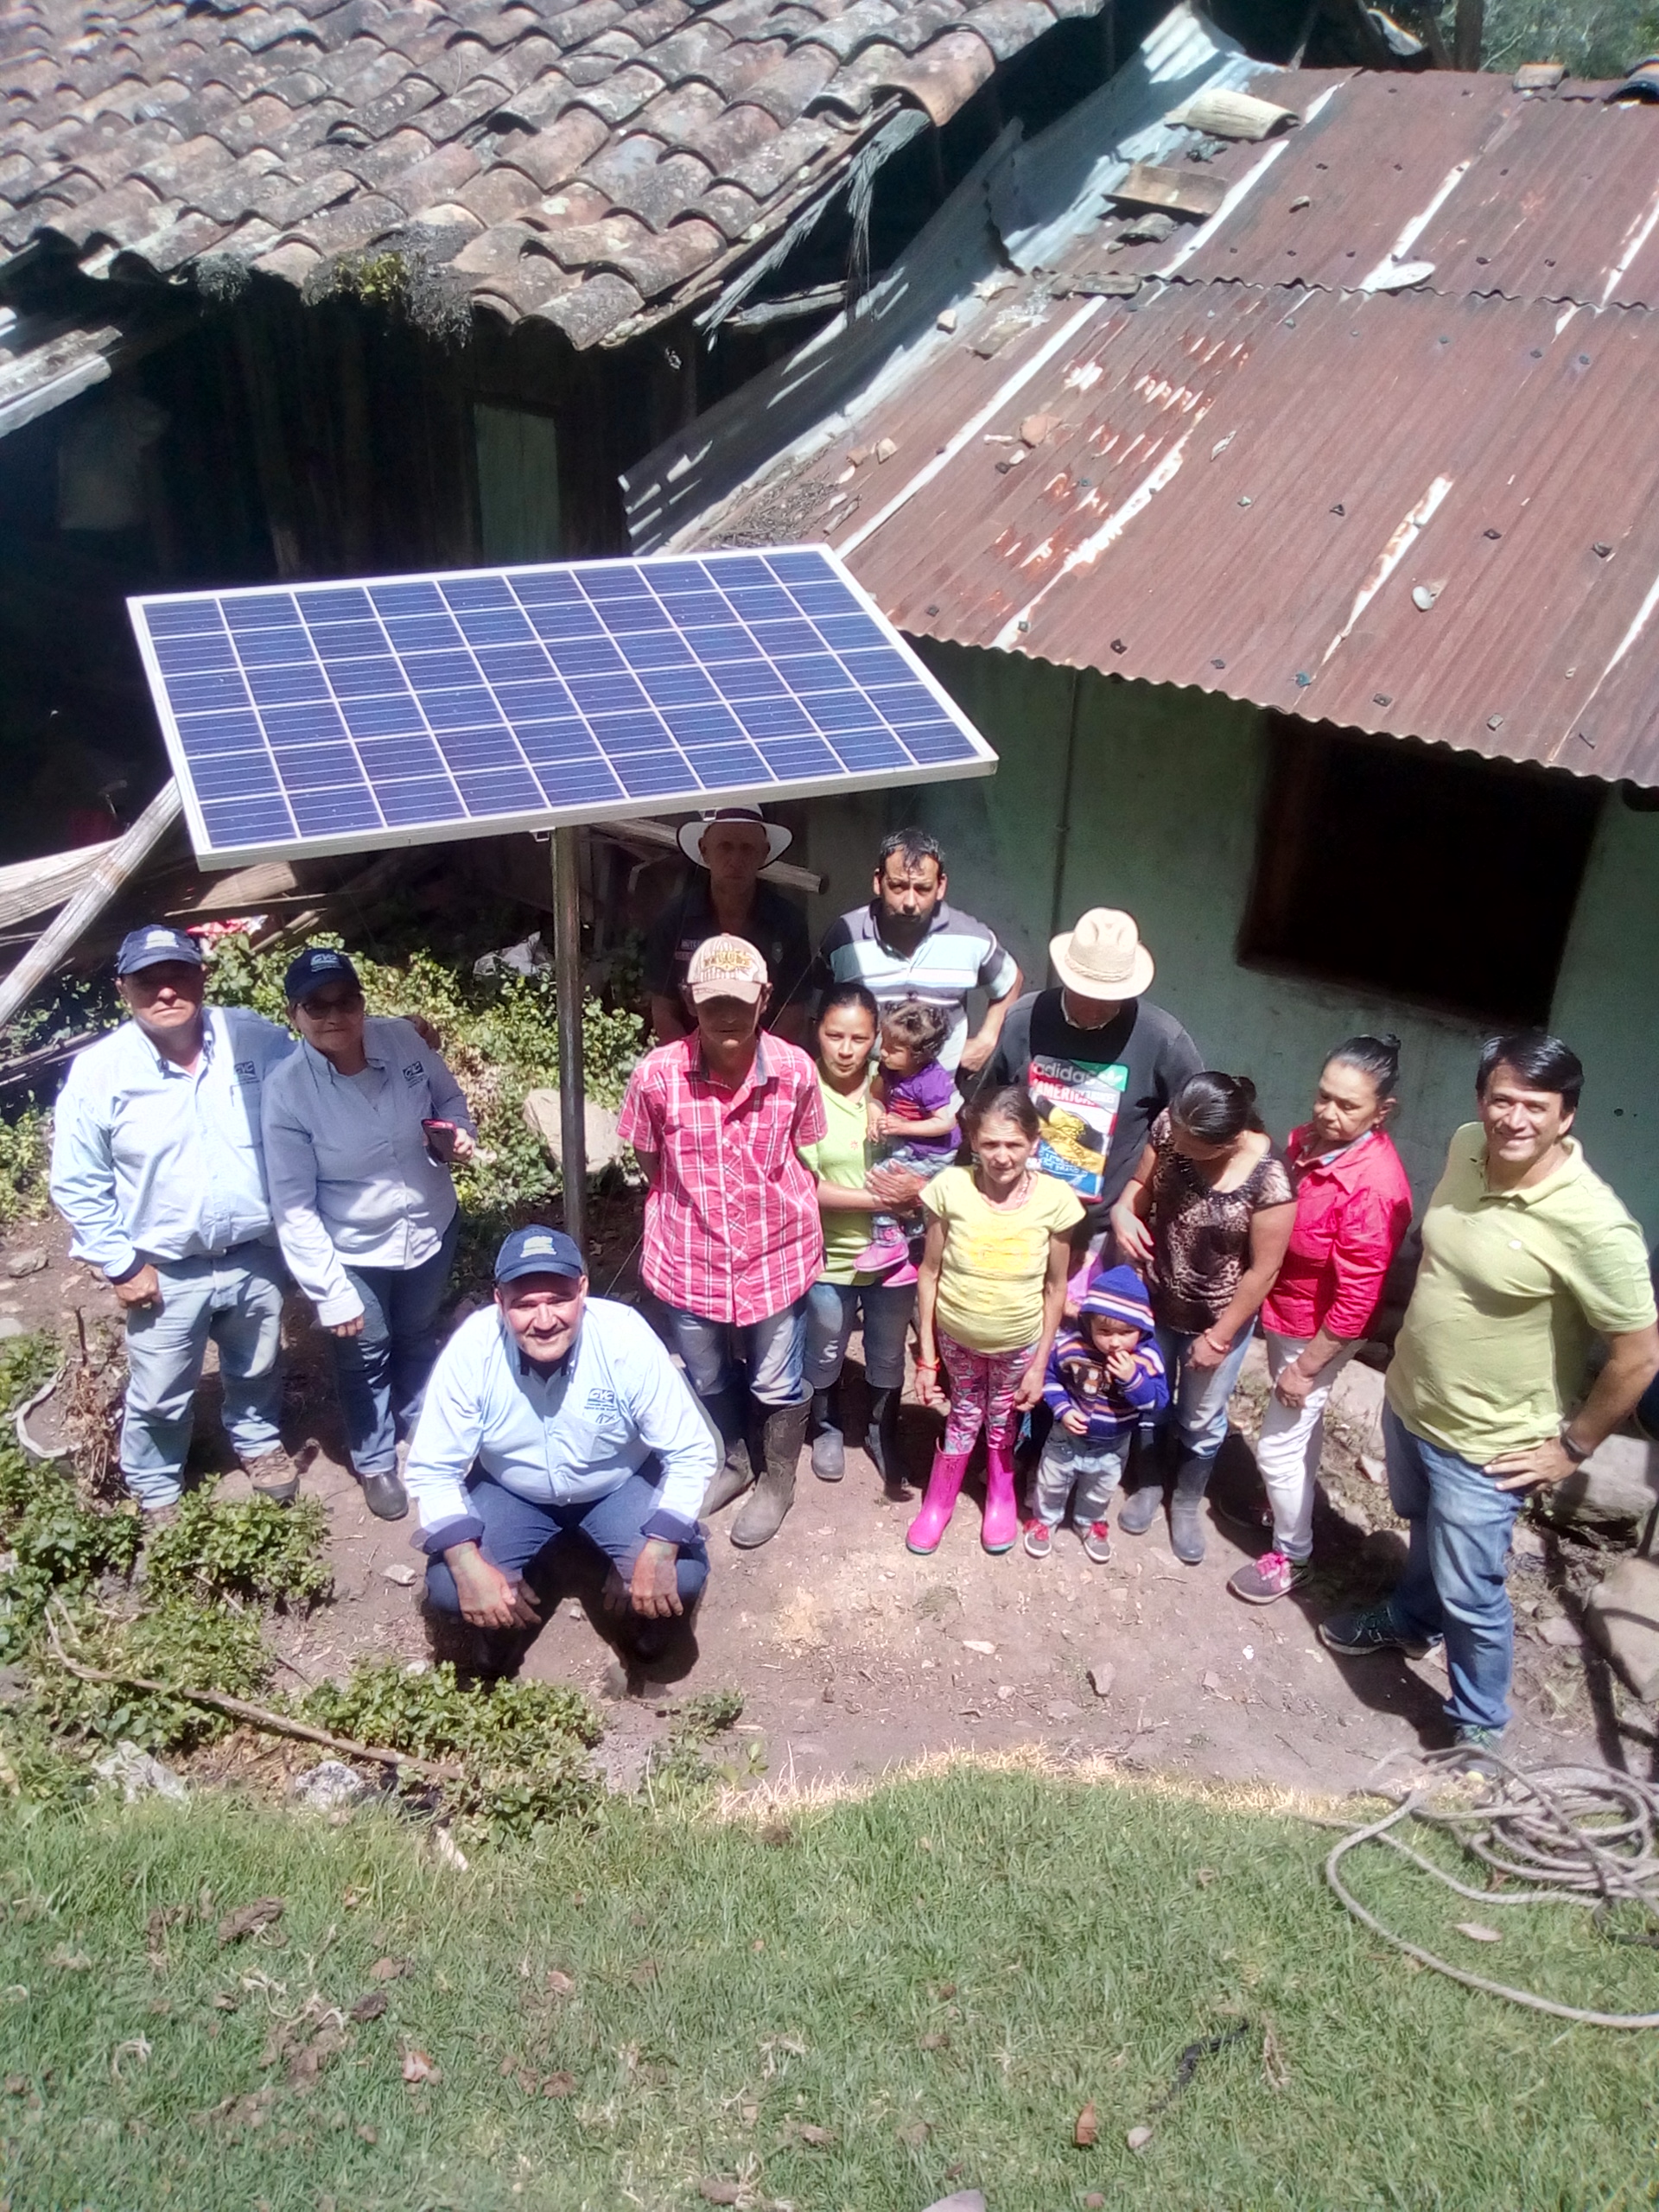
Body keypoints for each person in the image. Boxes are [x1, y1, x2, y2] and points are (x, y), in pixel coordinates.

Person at [1321, 1033, 1659, 1761]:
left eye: (1535, 1106)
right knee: (1423, 1528)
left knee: (1473, 1592)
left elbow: (1639, 1356)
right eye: (1500, 1098)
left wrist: (1573, 1448)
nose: (1513, 1118)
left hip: (1492, 1443)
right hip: (1413, 1399)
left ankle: (1479, 1729)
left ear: (1566, 1117)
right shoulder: (1467, 1144)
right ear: (1481, 1100)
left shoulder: (1595, 1225)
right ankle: (1411, 1619)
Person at [48, 925, 299, 1514]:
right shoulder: (99, 1072)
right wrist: (119, 1262)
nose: (166, 991)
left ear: (202, 975)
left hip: (254, 1251)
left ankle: (258, 1441)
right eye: (148, 980)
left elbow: (320, 1070)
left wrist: (392, 1043)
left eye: (178, 973)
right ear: (123, 988)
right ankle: (157, 1486)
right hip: (160, 1268)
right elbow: (78, 1182)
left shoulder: (254, 1040)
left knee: (258, 1364)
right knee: (161, 1390)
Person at [408, 1227, 714, 1665]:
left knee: (681, 1574)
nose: (545, 1319)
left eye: (559, 1299)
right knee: (448, 1588)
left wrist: (658, 1547)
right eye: (526, 1305)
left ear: (583, 1289)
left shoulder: (625, 1338)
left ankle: (645, 1623)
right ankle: (500, 1633)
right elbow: (433, 1468)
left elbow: (691, 1451)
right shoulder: (473, 1349)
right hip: (512, 1491)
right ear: (499, 1301)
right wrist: (465, 1562)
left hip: (616, 1484)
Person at [618, 934, 826, 1549]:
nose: (727, 1015)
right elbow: (648, 1158)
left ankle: (778, 1480)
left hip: (777, 1254)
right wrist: (694, 1211)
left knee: (773, 1378)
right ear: (689, 1001)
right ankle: (733, 1462)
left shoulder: (795, 1070)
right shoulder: (657, 1077)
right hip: (688, 1256)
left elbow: (803, 1151)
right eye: (712, 1003)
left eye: (740, 1000)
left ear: (764, 998)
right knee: (704, 1368)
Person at [261, 946, 477, 1524]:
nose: (334, 1015)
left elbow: (449, 1098)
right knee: (362, 1354)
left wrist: (456, 1132)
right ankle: (376, 1458)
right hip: (351, 1247)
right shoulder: (287, 1091)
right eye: (316, 1005)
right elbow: (293, 1203)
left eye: (345, 1000)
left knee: (416, 1333)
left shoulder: (403, 1041)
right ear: (294, 1014)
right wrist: (329, 1290)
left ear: (361, 1001)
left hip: (430, 1225)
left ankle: (421, 1424)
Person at [1227, 1036, 1414, 1605]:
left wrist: (1308, 1367)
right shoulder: (1313, 1144)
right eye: (1323, 1096)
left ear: (1382, 1113)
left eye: (1348, 1106)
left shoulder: (1372, 1189)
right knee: (1296, 1433)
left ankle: (1293, 1555)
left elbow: (1359, 1298)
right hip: (1288, 1311)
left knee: (1279, 1444)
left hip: (1319, 1330)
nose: (1328, 1113)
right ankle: (1283, 1506)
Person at [1109, 1072, 1295, 1564]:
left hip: (1218, 1317)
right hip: (1155, 1298)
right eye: (1179, 1139)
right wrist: (1124, 1213)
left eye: (1197, 1146)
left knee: (1199, 1415)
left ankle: (1186, 1501)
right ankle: (1148, 1482)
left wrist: (1221, 1335)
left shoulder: (1270, 1179)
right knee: (1147, 1392)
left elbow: (1264, 1269)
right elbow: (1140, 1186)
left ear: (1231, 1140)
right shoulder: (1174, 1128)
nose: (1181, 1148)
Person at [908, 1086, 1083, 1555]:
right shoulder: (950, 1188)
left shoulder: (1056, 1200)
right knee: (964, 1412)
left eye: (1014, 1144)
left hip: (1019, 1344)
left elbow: (1055, 1288)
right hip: (958, 1338)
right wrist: (927, 1356)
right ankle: (939, 1501)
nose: (1002, 1156)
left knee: (1004, 1420)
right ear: (972, 1141)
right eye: (990, 1144)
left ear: (1034, 1143)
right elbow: (929, 1273)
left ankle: (1001, 1495)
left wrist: (1039, 1365)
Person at [982, 907, 1202, 1274]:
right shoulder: (1025, 1019)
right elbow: (988, 1106)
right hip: (1019, 1215)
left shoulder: (1163, 1039)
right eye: (1087, 992)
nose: (1097, 1004)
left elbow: (1193, 1130)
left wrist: (1139, 1197)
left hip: (1107, 1230)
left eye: (1111, 994)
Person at [799, 983, 927, 1496]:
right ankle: (825, 1426)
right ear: (818, 1033)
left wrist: (922, 1186)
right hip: (827, 1254)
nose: (846, 1049)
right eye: (835, 1035)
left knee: (887, 1349)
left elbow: (942, 1151)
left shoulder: (901, 1089)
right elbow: (803, 1187)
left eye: (859, 1037)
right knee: (826, 1345)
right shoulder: (803, 1091)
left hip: (896, 1257)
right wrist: (883, 1201)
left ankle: (881, 1430)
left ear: (877, 1038)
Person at [814, 828, 1022, 1077]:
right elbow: (814, 1003)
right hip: (863, 1094)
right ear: (878, 882)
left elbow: (1011, 981)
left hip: (942, 1101)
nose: (910, 902)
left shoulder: (970, 937)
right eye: (898, 886)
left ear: (941, 886)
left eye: (923, 889)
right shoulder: (844, 936)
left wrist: (986, 1041)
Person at [1026, 1266, 1167, 1563]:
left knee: (1100, 1488)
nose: (1114, 1342)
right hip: (1066, 1436)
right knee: (1052, 1481)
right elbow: (1050, 1379)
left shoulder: (1147, 1358)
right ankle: (1046, 1520)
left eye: (1126, 1332)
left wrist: (1134, 1380)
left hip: (1113, 1444)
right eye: (1104, 1332)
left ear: (1142, 1327)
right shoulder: (1071, 1346)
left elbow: (1157, 1402)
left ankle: (1089, 1522)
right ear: (1088, 1323)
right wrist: (1062, 1410)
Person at [645, 808, 811, 1046]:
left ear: (764, 853)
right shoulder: (673, 921)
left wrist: (760, 1067)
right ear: (704, 849)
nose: (736, 860)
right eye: (725, 846)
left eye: (747, 848)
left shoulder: (789, 922)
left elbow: (794, 1011)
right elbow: (664, 1010)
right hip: (690, 1067)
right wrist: (692, 1069)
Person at [855, 998, 960, 1275]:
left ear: (919, 1054)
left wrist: (902, 1127)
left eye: (893, 1048)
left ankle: (887, 1238)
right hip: (908, 1143)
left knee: (882, 1177)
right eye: (884, 1042)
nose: (884, 1053)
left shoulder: (932, 1079)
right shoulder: (890, 1068)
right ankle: (914, 1239)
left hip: (932, 1151)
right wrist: (875, 1117)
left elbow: (944, 1123)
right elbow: (875, 1094)